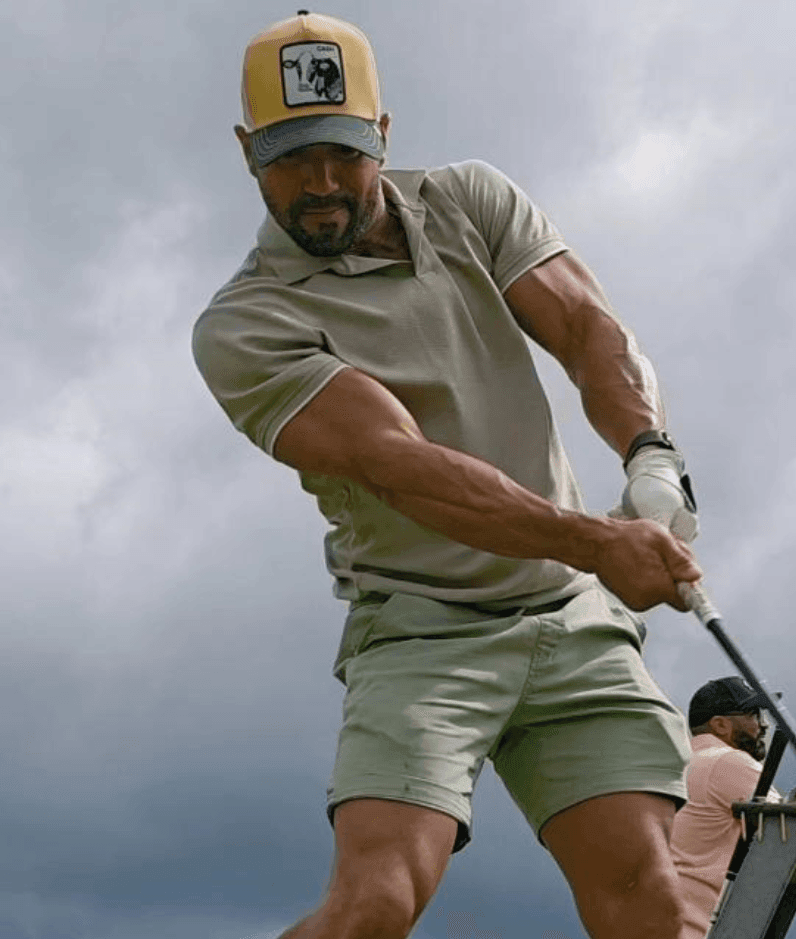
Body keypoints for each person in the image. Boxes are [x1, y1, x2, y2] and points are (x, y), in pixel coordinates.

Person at [192, 11, 703, 939]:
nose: (319, 185)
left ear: (382, 135)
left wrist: (652, 460)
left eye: (342, 154)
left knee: (652, 908)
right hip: (420, 630)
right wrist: (600, 540)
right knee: (374, 907)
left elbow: (589, 330)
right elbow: (401, 468)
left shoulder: (471, 200)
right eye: (290, 157)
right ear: (245, 152)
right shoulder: (243, 325)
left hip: (568, 619)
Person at [669, 677, 796, 938]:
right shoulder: (726, 761)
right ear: (720, 724)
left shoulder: (679, 766)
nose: (763, 725)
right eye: (753, 714)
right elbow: (792, 839)